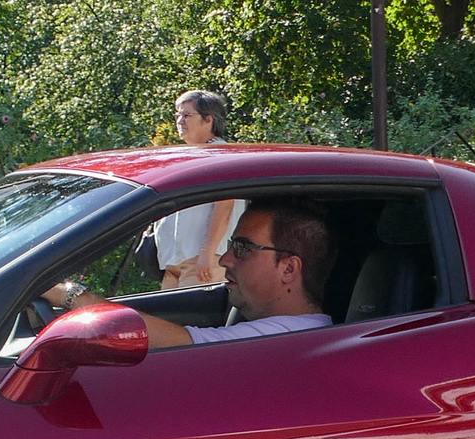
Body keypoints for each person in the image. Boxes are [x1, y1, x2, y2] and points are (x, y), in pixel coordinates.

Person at [46, 198, 335, 349]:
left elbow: (168, 341)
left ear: (288, 268)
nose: (225, 259)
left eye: (243, 248)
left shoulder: (283, 339)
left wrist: (64, 294)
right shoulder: (295, 332)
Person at [152, 90, 243, 287]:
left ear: (208, 120)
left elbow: (224, 208)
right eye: (177, 115)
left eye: (187, 115)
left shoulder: (222, 156)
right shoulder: (188, 156)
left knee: (190, 318)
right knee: (168, 318)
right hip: (174, 261)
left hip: (202, 261)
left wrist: (207, 253)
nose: (179, 121)